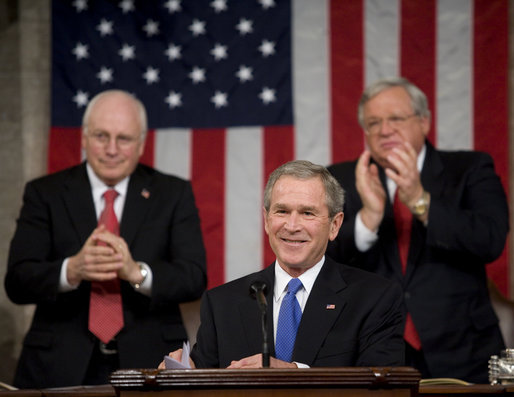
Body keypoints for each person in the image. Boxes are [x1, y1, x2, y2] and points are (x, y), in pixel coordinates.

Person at [5, 90, 207, 388]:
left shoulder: (172, 193)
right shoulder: (45, 193)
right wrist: (70, 271)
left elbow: (194, 276)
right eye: (101, 136)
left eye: (123, 138)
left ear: (140, 144)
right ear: (84, 138)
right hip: (58, 364)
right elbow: (17, 282)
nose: (111, 149)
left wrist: (136, 273)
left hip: (149, 362)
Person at [327, 77, 508, 383]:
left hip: (464, 350)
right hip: (372, 351)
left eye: (396, 118)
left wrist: (419, 200)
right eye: (374, 123)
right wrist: (368, 220)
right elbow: (317, 257)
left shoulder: (470, 169)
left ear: (424, 122)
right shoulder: (340, 178)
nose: (385, 130)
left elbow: (489, 240)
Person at [161, 160, 405, 369]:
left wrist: (294, 372)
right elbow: (205, 385)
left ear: (334, 225)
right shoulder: (222, 304)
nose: (292, 226)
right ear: (267, 220)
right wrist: (184, 374)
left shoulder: (375, 299)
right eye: (282, 211)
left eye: (308, 213)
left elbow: (382, 387)